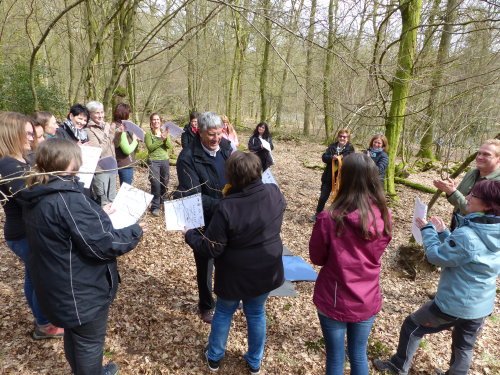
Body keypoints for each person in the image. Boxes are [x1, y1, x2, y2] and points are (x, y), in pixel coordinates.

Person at [21, 138, 144, 375]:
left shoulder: (39, 193)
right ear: (70, 161)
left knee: (75, 337)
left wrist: (98, 213)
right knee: (88, 344)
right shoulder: (67, 199)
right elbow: (102, 245)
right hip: (79, 292)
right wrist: (135, 231)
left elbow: (68, 231)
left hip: (58, 285)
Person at [374, 179, 500, 375]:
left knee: (412, 325)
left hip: (456, 303)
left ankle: (399, 365)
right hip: (481, 305)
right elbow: (468, 254)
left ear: (488, 204)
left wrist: (428, 231)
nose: (467, 197)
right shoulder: (492, 231)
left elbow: (437, 256)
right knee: (464, 346)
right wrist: (444, 234)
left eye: (473, 195)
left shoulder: (468, 234)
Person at [185, 151, 285, 374]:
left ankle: (216, 357)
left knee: (225, 312)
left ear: (231, 177)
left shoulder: (228, 206)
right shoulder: (273, 192)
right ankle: (251, 361)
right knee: (256, 312)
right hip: (265, 269)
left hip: (236, 273)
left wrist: (189, 233)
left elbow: (211, 247)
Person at [309, 153, 392, 375]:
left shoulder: (329, 218)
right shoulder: (384, 215)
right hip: (367, 295)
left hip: (335, 297)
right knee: (358, 353)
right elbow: (377, 250)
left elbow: (317, 258)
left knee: (337, 357)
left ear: (344, 178)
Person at [0, 112, 63, 339]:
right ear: (11, 134)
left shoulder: (19, 159)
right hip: (24, 233)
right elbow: (29, 196)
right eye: (26, 133)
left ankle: (42, 321)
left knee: (34, 276)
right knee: (42, 279)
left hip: (28, 230)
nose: (31, 138)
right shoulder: (8, 164)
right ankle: (45, 325)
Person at [175, 111, 232, 324]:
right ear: (199, 132)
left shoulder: (226, 148)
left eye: (219, 133)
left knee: (227, 260)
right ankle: (206, 305)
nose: (216, 138)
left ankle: (226, 297)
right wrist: (222, 205)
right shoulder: (188, 157)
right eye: (211, 134)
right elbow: (190, 193)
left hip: (227, 216)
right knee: (205, 263)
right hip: (204, 218)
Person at [433, 139, 500, 229]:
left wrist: (453, 192)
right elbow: (456, 203)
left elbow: (479, 214)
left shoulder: (496, 184)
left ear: (498, 159)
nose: (479, 157)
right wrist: (449, 189)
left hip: (478, 234)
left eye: (486, 154)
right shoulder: (472, 172)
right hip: (457, 226)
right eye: (479, 153)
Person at [311, 129, 355, 222]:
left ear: (348, 138)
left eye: (344, 137)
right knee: (323, 197)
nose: (342, 138)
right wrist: (332, 158)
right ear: (338, 137)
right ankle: (317, 214)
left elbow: (351, 161)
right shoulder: (332, 146)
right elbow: (324, 157)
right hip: (328, 177)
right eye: (340, 136)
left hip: (342, 179)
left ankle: (335, 217)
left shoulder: (350, 148)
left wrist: (341, 158)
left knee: (339, 199)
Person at [86, 101, 118, 206]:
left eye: (102, 112)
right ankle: (103, 221)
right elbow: (98, 151)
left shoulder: (107, 125)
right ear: (90, 114)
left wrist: (119, 133)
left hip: (113, 167)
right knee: (103, 200)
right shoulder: (89, 129)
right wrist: (111, 135)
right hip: (100, 169)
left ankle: (113, 221)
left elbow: (115, 145)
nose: (100, 116)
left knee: (112, 198)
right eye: (97, 113)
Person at [145, 113, 174, 216]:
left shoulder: (165, 132)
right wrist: (160, 140)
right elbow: (150, 147)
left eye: (157, 119)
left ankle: (165, 202)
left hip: (165, 160)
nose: (156, 121)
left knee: (165, 182)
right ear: (151, 122)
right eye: (154, 119)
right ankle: (155, 206)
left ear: (160, 121)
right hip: (153, 161)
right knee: (155, 183)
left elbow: (169, 146)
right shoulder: (148, 134)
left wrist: (165, 138)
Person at [112, 103, 139, 186]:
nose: (129, 116)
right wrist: (135, 140)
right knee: (125, 191)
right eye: (129, 113)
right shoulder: (120, 128)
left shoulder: (113, 125)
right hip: (124, 164)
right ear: (125, 114)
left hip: (118, 163)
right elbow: (127, 150)